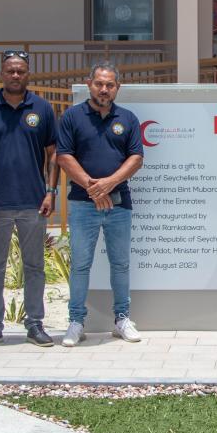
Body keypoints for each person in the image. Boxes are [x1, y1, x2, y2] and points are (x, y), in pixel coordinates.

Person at [55, 61, 144, 347]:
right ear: (89, 84)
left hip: (119, 205)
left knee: (120, 264)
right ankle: (76, 321)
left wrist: (109, 184)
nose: (104, 89)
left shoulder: (128, 119)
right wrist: (94, 188)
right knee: (80, 265)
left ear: (117, 88)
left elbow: (136, 158)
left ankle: (121, 319)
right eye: (99, 84)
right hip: (82, 205)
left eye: (110, 85)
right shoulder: (72, 117)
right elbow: (64, 157)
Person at [0, 51, 58, 348]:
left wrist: (51, 191)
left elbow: (52, 155)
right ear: (2, 73)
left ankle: (34, 324)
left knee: (34, 266)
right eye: (10, 70)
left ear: (27, 74)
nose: (15, 75)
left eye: (21, 71)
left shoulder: (42, 108)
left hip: (33, 202)